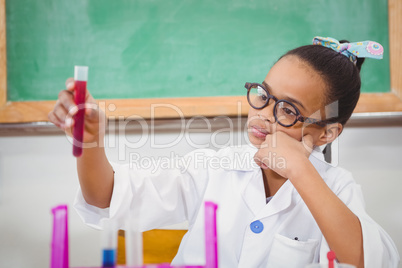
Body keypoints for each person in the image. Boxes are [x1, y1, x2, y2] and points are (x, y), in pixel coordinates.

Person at [48, 36, 400, 268]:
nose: (263, 113)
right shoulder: (213, 166)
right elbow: (105, 198)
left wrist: (301, 169)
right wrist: (90, 142)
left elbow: (365, 259)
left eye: (288, 110)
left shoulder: (337, 188)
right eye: (264, 95)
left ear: (327, 133)